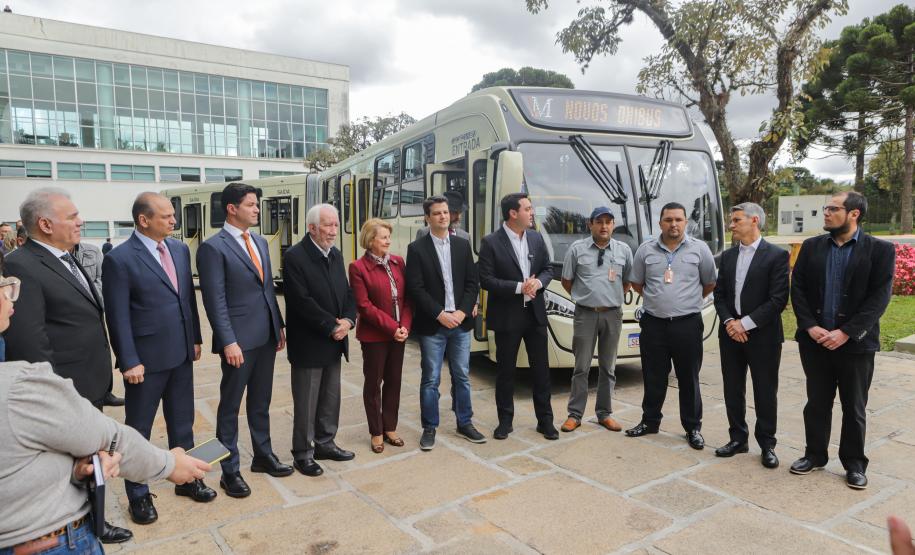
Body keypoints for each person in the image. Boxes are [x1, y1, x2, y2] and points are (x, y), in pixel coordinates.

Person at [0, 275, 212, 554]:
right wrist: (170, 464)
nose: (9, 293)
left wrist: (73, 470)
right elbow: (109, 438)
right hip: (45, 542)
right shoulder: (19, 386)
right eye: (2, 285)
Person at [2, 188, 132, 543]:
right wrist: (57, 394)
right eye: (72, 216)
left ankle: (96, 519)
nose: (81, 221)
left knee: (92, 459)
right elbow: (30, 342)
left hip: (89, 381)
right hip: (66, 387)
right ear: (45, 224)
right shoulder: (22, 264)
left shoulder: (67, 257)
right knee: (75, 463)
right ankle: (90, 525)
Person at [103, 193, 214, 526]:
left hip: (180, 353)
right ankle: (138, 495)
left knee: (183, 422)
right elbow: (117, 316)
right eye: (166, 216)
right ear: (143, 220)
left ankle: (189, 478)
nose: (174, 221)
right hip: (145, 362)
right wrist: (128, 360)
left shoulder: (179, 250)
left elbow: (186, 301)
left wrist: (194, 337)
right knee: (138, 430)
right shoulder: (120, 259)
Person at [789, 191, 895, 490]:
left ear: (854, 214)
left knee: (854, 406)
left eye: (833, 209)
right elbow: (797, 289)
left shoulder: (880, 251)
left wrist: (847, 331)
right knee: (817, 403)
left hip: (856, 345)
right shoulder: (811, 247)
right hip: (816, 343)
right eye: (826, 208)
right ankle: (814, 455)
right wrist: (810, 326)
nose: (826, 213)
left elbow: (879, 298)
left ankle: (854, 464)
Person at [198, 183, 291, 498]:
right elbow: (215, 300)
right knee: (229, 407)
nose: (256, 210)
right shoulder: (214, 247)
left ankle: (263, 456)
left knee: (261, 401)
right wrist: (228, 341)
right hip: (238, 342)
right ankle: (229, 471)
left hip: (265, 336)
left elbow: (267, 290)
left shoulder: (261, 242)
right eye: (251, 204)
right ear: (232, 208)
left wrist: (278, 326)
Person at [625, 202, 717, 450]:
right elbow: (637, 283)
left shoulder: (700, 249)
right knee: (653, 376)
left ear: (686, 222)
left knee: (689, 378)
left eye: (678, 219)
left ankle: (693, 428)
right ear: (660, 223)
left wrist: (686, 301)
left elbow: (709, 282)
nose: (673, 224)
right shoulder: (646, 250)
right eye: (668, 220)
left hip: (687, 324)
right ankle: (650, 421)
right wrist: (658, 301)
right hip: (654, 324)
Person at [712, 202, 789, 468]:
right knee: (733, 389)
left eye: (736, 220)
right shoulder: (729, 256)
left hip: (763, 337)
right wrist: (730, 322)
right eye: (731, 221)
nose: (731, 225)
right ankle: (738, 439)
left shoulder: (777, 255)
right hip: (730, 335)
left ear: (754, 220)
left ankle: (767, 444)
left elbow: (778, 299)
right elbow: (719, 294)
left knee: (765, 392)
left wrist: (745, 324)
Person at [283, 203, 357, 476]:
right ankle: (302, 453)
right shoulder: (295, 257)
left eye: (336, 225)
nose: (333, 230)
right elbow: (301, 302)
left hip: (335, 339)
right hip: (310, 342)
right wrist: (330, 326)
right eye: (328, 225)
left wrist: (349, 320)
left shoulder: (335, 254)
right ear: (311, 227)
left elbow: (348, 294)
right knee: (307, 401)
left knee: (330, 397)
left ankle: (325, 442)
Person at [406, 195, 485, 450]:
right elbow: (416, 288)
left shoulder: (462, 246)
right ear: (427, 218)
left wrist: (462, 312)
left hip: (460, 323)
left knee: (462, 375)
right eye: (437, 213)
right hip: (434, 324)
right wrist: (440, 314)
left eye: (445, 212)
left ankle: (465, 422)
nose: (443, 216)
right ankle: (430, 427)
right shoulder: (417, 249)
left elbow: (473, 283)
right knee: (431, 379)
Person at [478, 192, 557, 441]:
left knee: (541, 372)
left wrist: (539, 283)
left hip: (535, 316)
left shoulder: (535, 238)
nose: (532, 213)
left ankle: (545, 422)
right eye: (528, 209)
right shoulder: (491, 242)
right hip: (507, 317)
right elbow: (486, 279)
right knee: (505, 372)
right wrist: (518, 287)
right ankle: (505, 422)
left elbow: (548, 269)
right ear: (513, 213)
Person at [560, 206, 632, 433]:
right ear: (590, 224)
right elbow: (567, 281)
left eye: (608, 222)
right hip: (585, 314)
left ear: (613, 225)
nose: (604, 226)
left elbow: (627, 281)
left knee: (608, 367)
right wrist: (587, 298)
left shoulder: (623, 250)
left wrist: (609, 298)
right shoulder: (577, 249)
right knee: (581, 367)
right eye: (599, 222)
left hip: (612, 314)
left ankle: (605, 413)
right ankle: (575, 414)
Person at [349, 219, 413, 453]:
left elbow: (407, 299)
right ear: (370, 240)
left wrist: (404, 325)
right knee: (374, 384)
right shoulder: (357, 267)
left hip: (399, 334)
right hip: (375, 336)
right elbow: (364, 306)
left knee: (394, 381)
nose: (388, 241)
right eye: (383, 237)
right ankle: (376, 431)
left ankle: (390, 427)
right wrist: (392, 327)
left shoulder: (398, 262)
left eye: (388, 236)